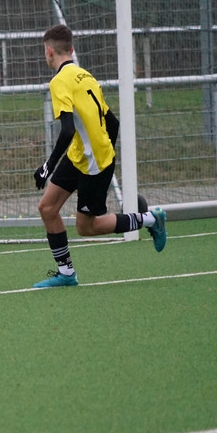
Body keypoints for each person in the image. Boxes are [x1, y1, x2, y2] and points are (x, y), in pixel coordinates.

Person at [31, 24, 167, 289]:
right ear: (71, 49)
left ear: (49, 52)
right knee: (47, 208)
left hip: (94, 163)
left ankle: (151, 219)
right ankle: (66, 274)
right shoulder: (86, 76)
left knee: (86, 227)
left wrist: (48, 166)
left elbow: (67, 129)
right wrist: (103, 151)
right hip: (82, 155)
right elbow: (112, 123)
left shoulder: (59, 81)